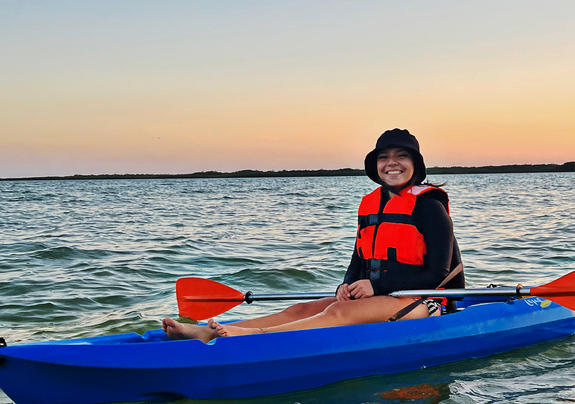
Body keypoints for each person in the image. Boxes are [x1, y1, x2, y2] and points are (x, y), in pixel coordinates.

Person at [162, 128, 464, 342]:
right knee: (301, 309)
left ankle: (249, 337)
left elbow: (438, 274)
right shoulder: (372, 204)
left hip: (425, 301)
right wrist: (347, 284)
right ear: (375, 166)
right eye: (384, 157)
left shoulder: (428, 205)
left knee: (338, 313)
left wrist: (377, 287)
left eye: (401, 156)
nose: (391, 163)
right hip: (383, 296)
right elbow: (359, 259)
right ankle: (206, 331)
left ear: (415, 164)